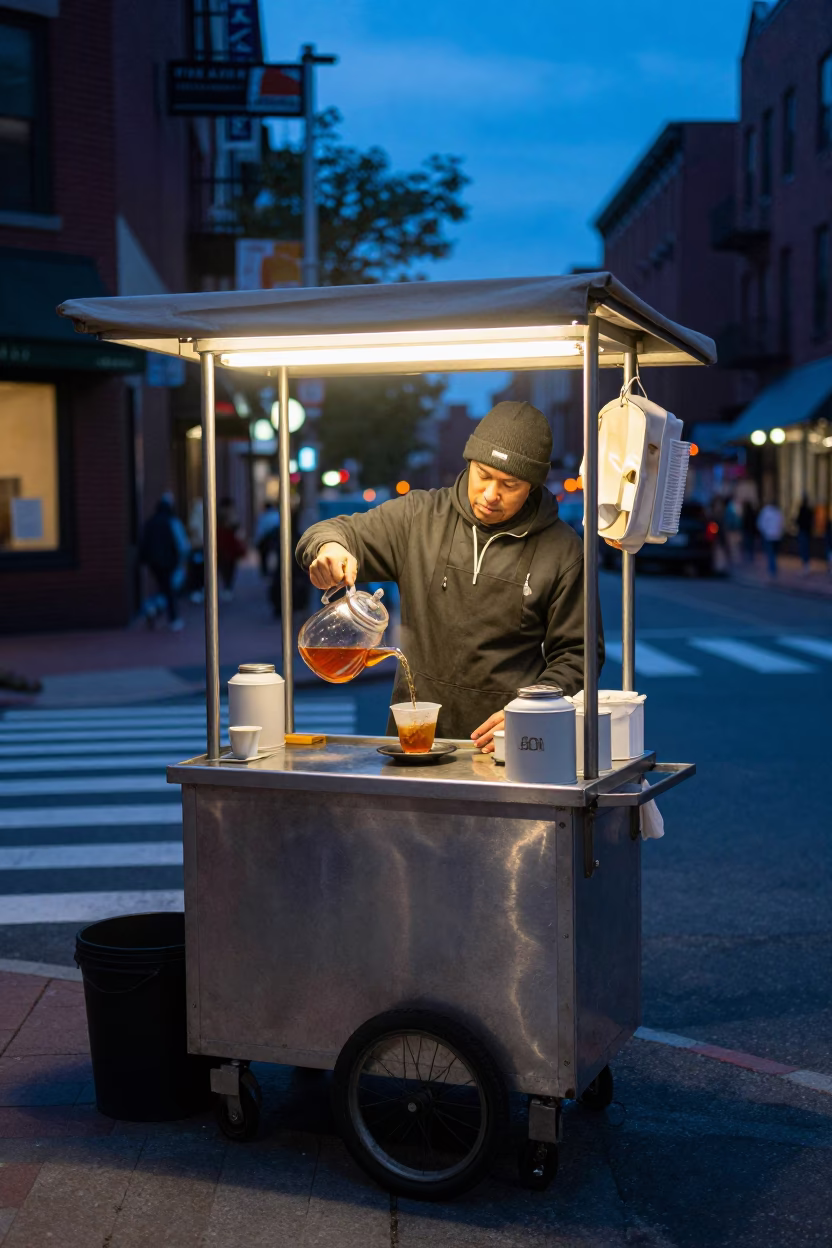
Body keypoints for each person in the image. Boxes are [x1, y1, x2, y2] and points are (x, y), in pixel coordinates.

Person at [296, 401, 602, 750]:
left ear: (532, 485)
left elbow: (579, 656)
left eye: (509, 484)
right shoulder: (418, 518)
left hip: (510, 745)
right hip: (413, 742)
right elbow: (332, 531)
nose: (490, 495)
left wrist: (532, 708)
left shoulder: (562, 549)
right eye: (483, 475)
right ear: (469, 462)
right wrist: (328, 549)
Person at [139, 497, 184, 630]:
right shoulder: (171, 522)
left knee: (163, 587)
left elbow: (143, 543)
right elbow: (182, 544)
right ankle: (172, 618)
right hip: (169, 562)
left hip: (153, 563)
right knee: (169, 589)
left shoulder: (150, 522)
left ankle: (152, 608)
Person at [217, 497, 246, 601]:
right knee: (229, 567)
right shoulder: (229, 514)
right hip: (228, 544)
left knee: (225, 567)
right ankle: (227, 588)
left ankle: (226, 588)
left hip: (222, 544)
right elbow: (236, 526)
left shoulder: (218, 514)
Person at [757, 499, 785, 578]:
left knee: (771, 553)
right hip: (775, 536)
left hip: (770, 536)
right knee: (773, 553)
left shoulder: (767, 511)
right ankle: (773, 569)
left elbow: (760, 523)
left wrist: (764, 531)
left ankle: (772, 569)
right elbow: (782, 524)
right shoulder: (776, 512)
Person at [254, 501, 281, 577]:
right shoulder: (276, 515)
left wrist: (257, 540)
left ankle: (265, 572)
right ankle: (274, 571)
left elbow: (260, 529)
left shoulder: (263, 516)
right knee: (275, 555)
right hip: (275, 539)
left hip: (265, 540)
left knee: (264, 557)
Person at [796, 494, 813, 574]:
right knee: (806, 548)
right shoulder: (809, 510)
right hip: (807, 532)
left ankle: (805, 565)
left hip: (803, 531)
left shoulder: (802, 509)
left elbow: (798, 520)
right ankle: (806, 565)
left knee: (803, 549)